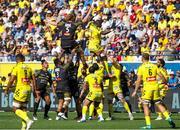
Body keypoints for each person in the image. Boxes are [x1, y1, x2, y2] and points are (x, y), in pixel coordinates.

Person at [132, 53, 175, 129]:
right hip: (155, 87)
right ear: (148, 58)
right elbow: (161, 76)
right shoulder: (154, 66)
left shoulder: (141, 67)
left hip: (147, 88)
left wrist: (135, 90)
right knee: (159, 104)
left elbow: (138, 80)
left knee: (145, 105)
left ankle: (148, 125)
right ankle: (169, 118)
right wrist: (165, 82)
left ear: (142, 58)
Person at [4, 54, 35, 130]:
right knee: (23, 109)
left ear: (16, 60)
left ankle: (28, 120)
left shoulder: (16, 67)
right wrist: (34, 90)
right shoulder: (29, 67)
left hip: (20, 89)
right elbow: (33, 79)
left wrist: (7, 89)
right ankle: (23, 127)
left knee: (15, 109)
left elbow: (11, 80)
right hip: (28, 89)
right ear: (23, 59)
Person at [106, 56, 134, 121]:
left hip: (116, 85)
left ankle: (130, 114)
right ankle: (110, 116)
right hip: (110, 85)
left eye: (115, 58)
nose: (113, 59)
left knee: (122, 100)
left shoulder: (118, 66)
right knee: (109, 101)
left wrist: (109, 57)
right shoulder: (111, 67)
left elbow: (112, 62)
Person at [53, 49, 75, 120]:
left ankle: (57, 116)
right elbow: (69, 61)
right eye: (60, 60)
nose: (62, 60)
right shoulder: (63, 68)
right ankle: (61, 112)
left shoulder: (55, 68)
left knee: (60, 101)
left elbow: (57, 60)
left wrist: (62, 53)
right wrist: (72, 53)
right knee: (68, 99)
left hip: (58, 86)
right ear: (59, 62)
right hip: (64, 86)